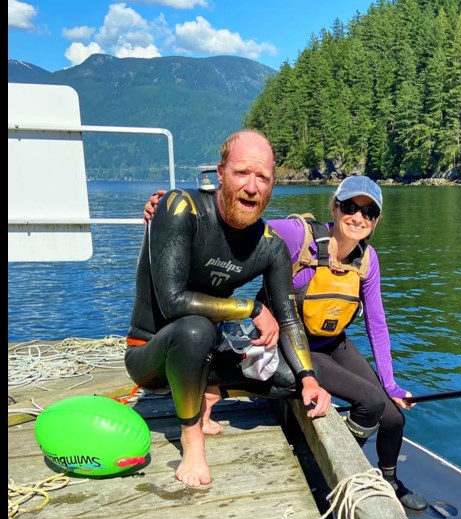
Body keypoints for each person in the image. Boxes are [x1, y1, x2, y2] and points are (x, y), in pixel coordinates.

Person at [144, 176, 427, 511]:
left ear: (376, 221)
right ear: (334, 207)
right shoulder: (299, 236)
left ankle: (390, 479)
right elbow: (238, 225)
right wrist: (173, 216)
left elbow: (377, 324)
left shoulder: (368, 260)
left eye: (368, 212)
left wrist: (391, 383)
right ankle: (343, 473)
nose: (358, 217)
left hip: (333, 343)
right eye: (350, 207)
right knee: (369, 402)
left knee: (393, 414)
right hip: (294, 346)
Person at [125, 129, 331, 489]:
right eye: (241, 173)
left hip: (206, 358)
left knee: (290, 382)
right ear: (220, 173)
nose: (251, 186)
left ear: (272, 186)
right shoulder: (179, 208)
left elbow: (288, 319)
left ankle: (208, 391)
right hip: (151, 355)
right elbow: (173, 302)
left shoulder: (271, 247)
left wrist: (308, 378)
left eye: (262, 177)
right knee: (196, 328)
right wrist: (249, 307)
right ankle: (192, 440)